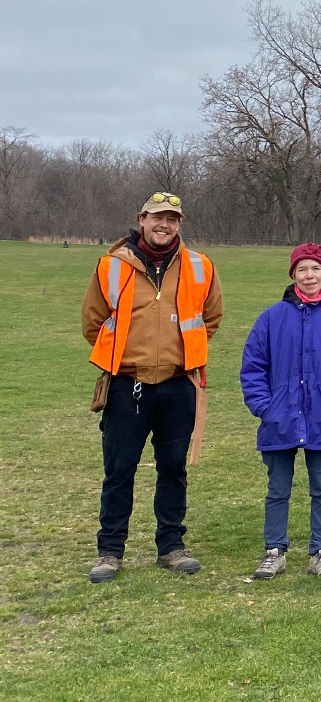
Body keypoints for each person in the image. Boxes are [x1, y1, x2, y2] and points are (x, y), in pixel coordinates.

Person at [82, 191, 223, 582]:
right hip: (128, 386)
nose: (165, 225)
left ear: (180, 224)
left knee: (173, 469)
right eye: (158, 217)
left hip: (179, 385)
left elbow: (210, 319)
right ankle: (110, 551)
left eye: (173, 219)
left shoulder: (201, 266)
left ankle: (171, 547)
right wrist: (127, 358)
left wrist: (182, 353)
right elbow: (93, 323)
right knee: (119, 470)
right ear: (142, 219)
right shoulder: (111, 266)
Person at [240, 243, 321, 581]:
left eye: (315, 269)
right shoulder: (271, 318)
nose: (309, 276)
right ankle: (274, 551)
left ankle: (320, 552)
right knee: (278, 489)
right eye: (302, 270)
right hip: (279, 418)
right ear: (293, 274)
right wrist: (263, 406)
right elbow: (253, 365)